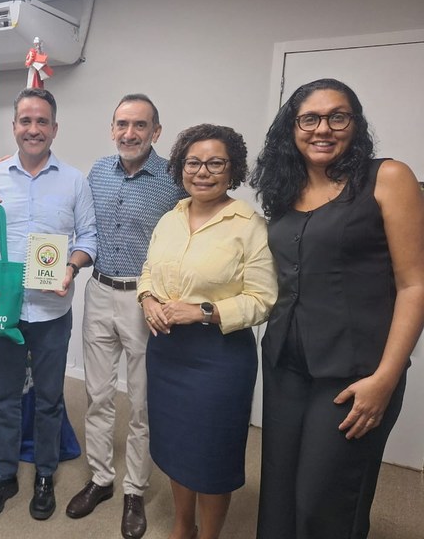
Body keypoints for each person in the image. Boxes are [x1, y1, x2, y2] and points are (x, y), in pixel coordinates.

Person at [250, 78, 424, 539]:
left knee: (325, 502)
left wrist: (386, 379)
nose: (322, 129)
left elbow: (415, 285)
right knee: (279, 492)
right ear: (292, 127)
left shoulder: (387, 177)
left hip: (355, 373)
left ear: (355, 123)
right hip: (287, 364)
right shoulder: (284, 192)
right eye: (309, 118)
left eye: (337, 117)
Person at [0, 87, 97, 521]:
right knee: (4, 397)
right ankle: (3, 475)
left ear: (54, 129)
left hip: (52, 312)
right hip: (3, 310)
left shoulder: (74, 180)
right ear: (14, 126)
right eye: (26, 121)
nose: (33, 129)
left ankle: (44, 474)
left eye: (42, 122)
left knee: (49, 398)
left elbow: (88, 238)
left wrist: (71, 267)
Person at [137, 124, 276, 539]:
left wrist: (202, 312)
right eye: (193, 162)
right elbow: (149, 270)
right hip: (166, 352)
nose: (202, 172)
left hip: (219, 358)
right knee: (175, 445)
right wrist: (147, 299)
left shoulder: (249, 225)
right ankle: (184, 526)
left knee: (212, 454)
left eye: (216, 163)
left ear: (233, 170)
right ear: (181, 167)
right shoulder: (170, 218)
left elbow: (263, 299)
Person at [65, 94, 185, 539]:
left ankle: (135, 488)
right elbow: (79, 222)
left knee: (141, 401)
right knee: (97, 395)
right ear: (112, 128)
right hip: (99, 290)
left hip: (145, 299)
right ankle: (101, 478)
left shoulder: (174, 179)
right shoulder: (98, 171)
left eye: (139, 125)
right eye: (122, 124)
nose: (129, 133)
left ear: (156, 131)